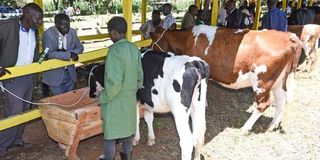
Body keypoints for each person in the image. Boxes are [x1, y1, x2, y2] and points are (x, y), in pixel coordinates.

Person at [0, 3, 43, 156]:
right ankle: (2, 145)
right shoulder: (7, 27)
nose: (40, 23)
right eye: (38, 19)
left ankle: (16, 140)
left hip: (29, 75)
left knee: (25, 110)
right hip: (13, 77)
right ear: (26, 15)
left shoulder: (33, 30)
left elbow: (32, 53)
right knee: (15, 111)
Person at [99, 16, 143, 160]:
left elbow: (114, 83)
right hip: (129, 99)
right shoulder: (134, 49)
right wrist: (130, 91)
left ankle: (108, 157)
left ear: (114, 33)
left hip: (114, 101)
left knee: (110, 135)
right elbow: (139, 78)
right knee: (127, 132)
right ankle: (127, 157)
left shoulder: (114, 51)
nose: (110, 36)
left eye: (110, 33)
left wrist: (103, 97)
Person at [42, 13, 83, 96]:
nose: (66, 27)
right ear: (56, 24)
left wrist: (73, 53)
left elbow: (80, 48)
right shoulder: (48, 34)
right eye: (63, 25)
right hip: (55, 76)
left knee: (69, 101)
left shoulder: (72, 32)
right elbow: (48, 53)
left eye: (68, 24)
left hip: (70, 74)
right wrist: (68, 54)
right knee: (58, 103)